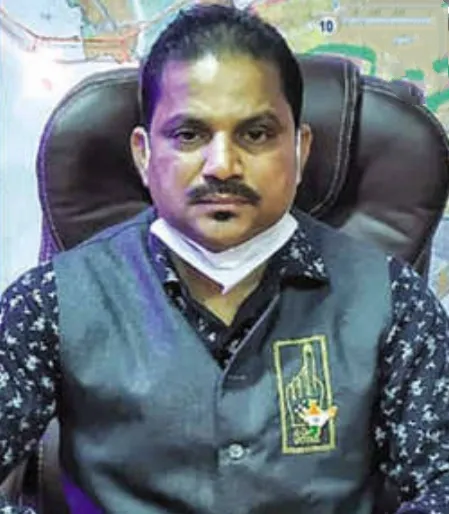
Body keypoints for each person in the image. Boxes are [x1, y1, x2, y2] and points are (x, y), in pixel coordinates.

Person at [1, 4, 449, 514]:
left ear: (300, 149)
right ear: (144, 154)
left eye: (255, 134)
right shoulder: (48, 303)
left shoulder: (393, 302)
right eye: (189, 135)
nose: (221, 166)